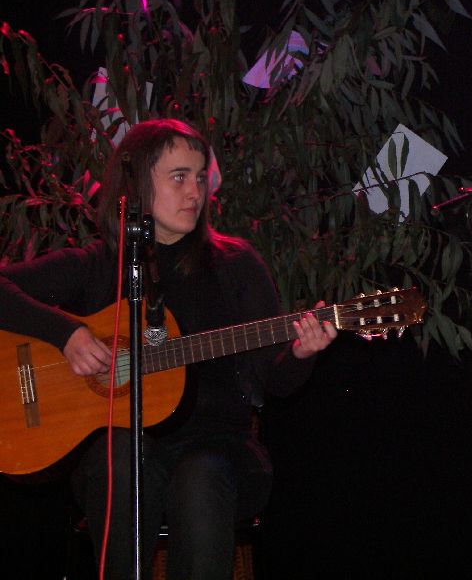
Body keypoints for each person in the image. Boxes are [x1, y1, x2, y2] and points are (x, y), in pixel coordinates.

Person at [0, 119, 337, 579]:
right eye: (179, 177)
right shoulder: (98, 265)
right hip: (125, 452)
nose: (195, 191)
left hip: (217, 448)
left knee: (200, 478)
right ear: (137, 184)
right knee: (120, 459)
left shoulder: (235, 265)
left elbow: (275, 380)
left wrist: (301, 354)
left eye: (199, 177)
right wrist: (66, 334)